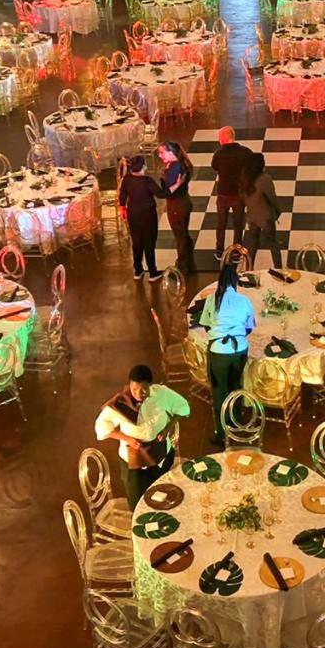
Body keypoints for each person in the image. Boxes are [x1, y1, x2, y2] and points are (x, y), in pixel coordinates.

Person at [94, 364, 190, 508]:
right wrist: (126, 438)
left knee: (163, 496)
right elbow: (101, 426)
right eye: (134, 389)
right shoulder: (121, 403)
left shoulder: (162, 394)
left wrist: (168, 427)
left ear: (150, 385)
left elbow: (183, 407)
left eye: (144, 389)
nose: (139, 394)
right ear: (129, 385)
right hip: (133, 460)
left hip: (159, 453)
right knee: (137, 502)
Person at [199, 262, 255, 446]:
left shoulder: (212, 300)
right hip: (240, 350)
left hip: (218, 352)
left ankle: (221, 432)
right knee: (236, 385)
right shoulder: (244, 300)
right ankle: (236, 419)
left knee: (219, 391)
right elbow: (249, 328)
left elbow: (206, 325)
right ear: (236, 281)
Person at [117, 155, 165, 281]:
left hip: (133, 214)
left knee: (137, 242)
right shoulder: (147, 181)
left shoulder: (127, 179)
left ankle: (138, 271)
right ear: (143, 166)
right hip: (148, 215)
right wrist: (164, 181)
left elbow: (122, 195)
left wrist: (122, 208)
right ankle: (152, 272)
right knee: (149, 242)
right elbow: (160, 194)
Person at [211, 127, 253, 260]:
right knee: (238, 224)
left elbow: (214, 167)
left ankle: (219, 251)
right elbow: (251, 167)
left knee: (221, 224)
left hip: (223, 194)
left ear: (223, 139)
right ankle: (236, 252)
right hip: (239, 194)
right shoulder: (245, 152)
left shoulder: (219, 154)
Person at [159, 141, 196, 273]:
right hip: (184, 202)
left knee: (180, 236)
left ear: (172, 152)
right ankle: (189, 261)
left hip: (176, 207)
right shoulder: (181, 164)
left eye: (162, 152)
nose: (159, 155)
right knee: (183, 233)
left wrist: (164, 176)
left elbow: (167, 192)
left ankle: (182, 266)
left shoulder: (174, 168)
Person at [242, 152, 283, 269]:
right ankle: (278, 269)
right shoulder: (265, 179)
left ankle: (249, 269)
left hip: (251, 217)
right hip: (265, 217)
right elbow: (272, 197)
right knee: (273, 243)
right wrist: (278, 210)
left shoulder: (245, 178)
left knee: (253, 244)